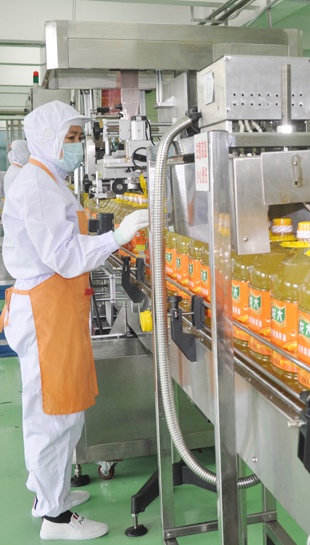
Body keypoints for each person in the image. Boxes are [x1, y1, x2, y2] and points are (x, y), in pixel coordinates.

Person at [0, 101, 149, 540]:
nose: (78, 146)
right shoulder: (38, 186)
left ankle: (50, 493)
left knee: (58, 407)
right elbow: (64, 255)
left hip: (54, 303)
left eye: (79, 137)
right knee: (54, 412)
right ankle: (56, 517)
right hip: (46, 307)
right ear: (47, 139)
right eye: (71, 138)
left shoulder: (49, 178)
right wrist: (117, 237)